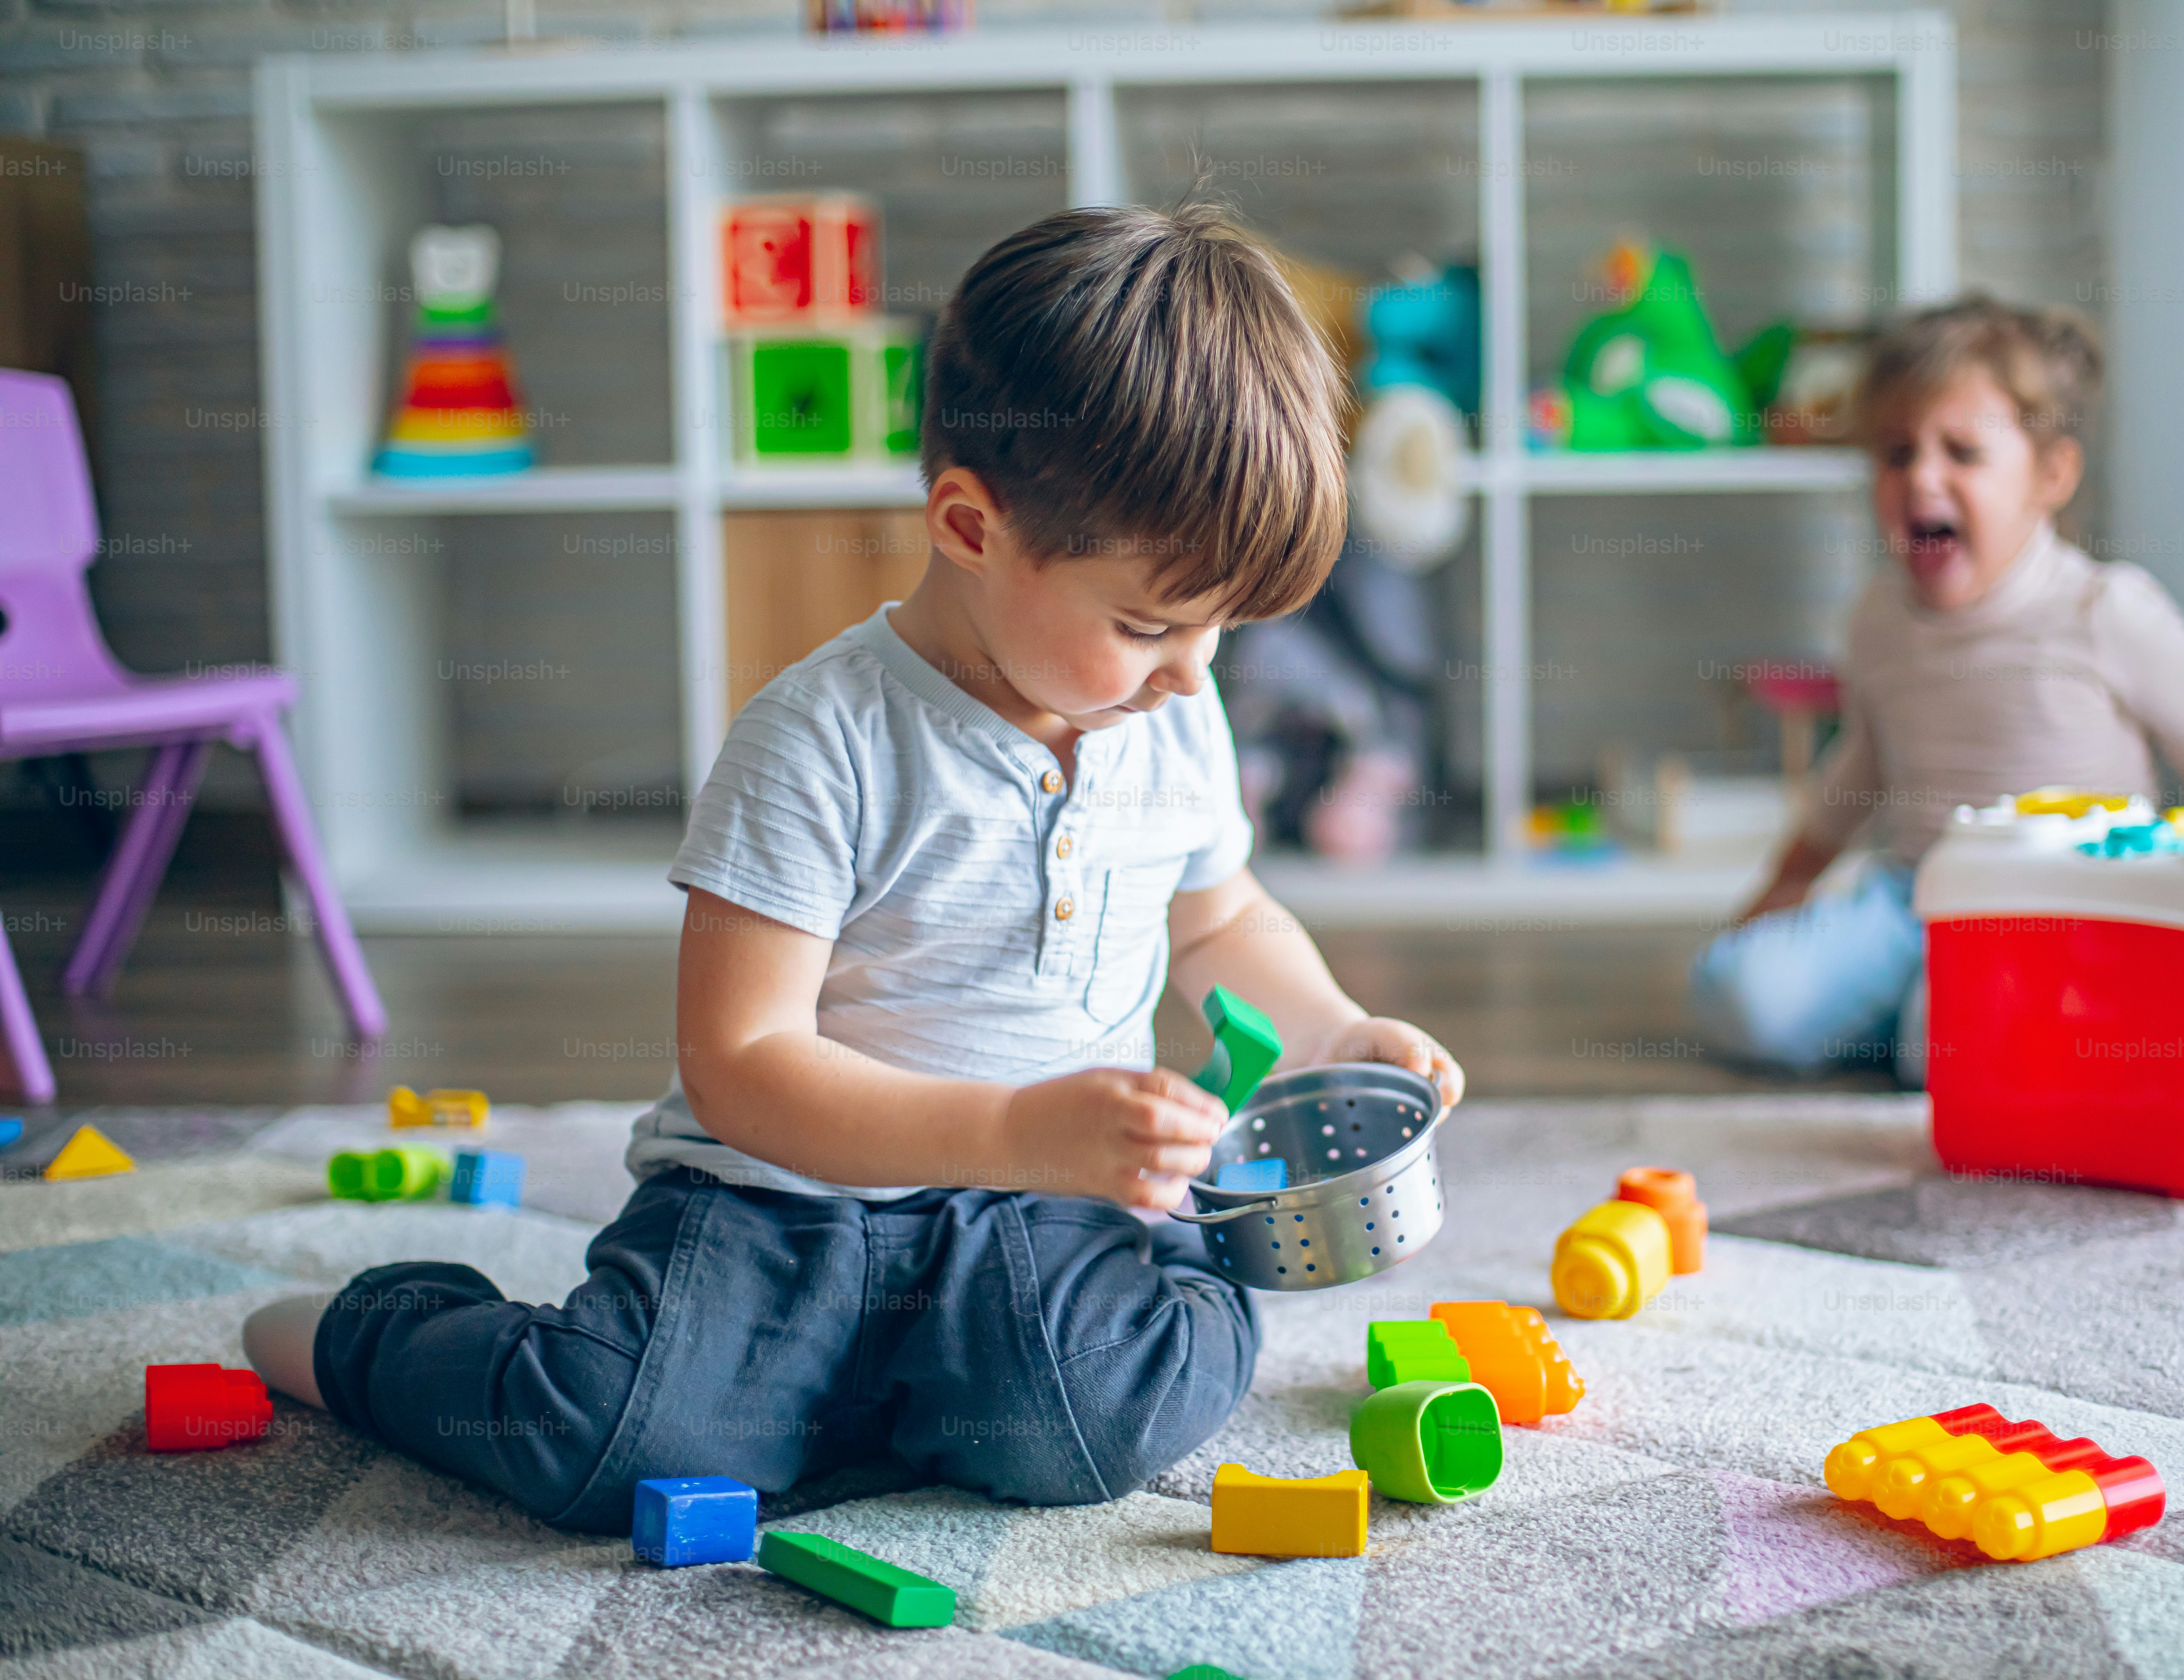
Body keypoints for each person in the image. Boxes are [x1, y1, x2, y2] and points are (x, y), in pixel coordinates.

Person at [243, 204, 1465, 1532]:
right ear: (969, 524)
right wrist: (1005, 1129)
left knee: (1092, 1419)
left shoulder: (1168, 713)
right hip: (788, 1210)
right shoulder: (819, 738)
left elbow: (1224, 919)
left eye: (1220, 628)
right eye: (1147, 623)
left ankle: (890, 1390)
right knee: (612, 1446)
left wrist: (1338, 1030)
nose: (1194, 672)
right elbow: (741, 1062)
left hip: (1040, 1206)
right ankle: (381, 1336)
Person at [1690, 294, 2184, 1087]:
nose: (1922, 477)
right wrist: (1792, 877)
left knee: (1952, 1048)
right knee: (1740, 994)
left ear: (2051, 475)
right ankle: (1922, 1012)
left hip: (2070, 907)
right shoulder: (1878, 616)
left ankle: (1936, 1021)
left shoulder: (2104, 608)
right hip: (1914, 898)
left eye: (1962, 451)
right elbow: (1865, 760)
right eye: (1896, 453)